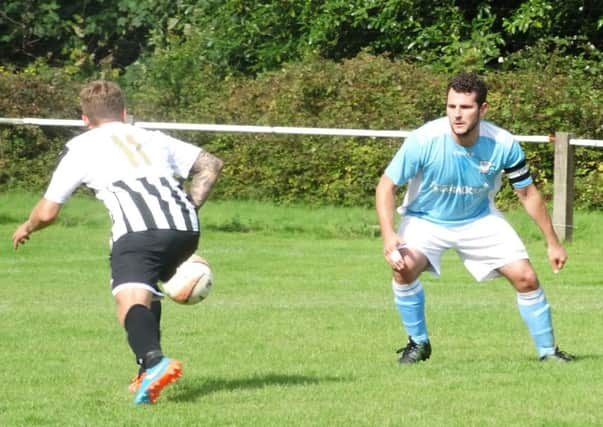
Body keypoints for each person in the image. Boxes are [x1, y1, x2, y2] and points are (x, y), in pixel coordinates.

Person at [12, 80, 224, 404]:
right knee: (147, 294)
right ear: (124, 113)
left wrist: (27, 226)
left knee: (130, 303)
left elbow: (48, 211)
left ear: (85, 119)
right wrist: (189, 206)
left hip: (138, 232)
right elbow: (211, 164)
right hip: (186, 228)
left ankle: (153, 362)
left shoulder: (82, 147)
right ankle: (146, 370)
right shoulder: (152, 137)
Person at [375, 72, 573, 364]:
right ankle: (417, 343)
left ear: (482, 109)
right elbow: (386, 186)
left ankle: (548, 352)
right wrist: (389, 235)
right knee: (403, 269)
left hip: (479, 219)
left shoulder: (503, 143)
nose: (457, 114)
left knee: (527, 278)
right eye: (451, 106)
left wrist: (552, 242)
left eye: (465, 107)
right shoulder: (424, 139)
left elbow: (528, 194)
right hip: (425, 220)